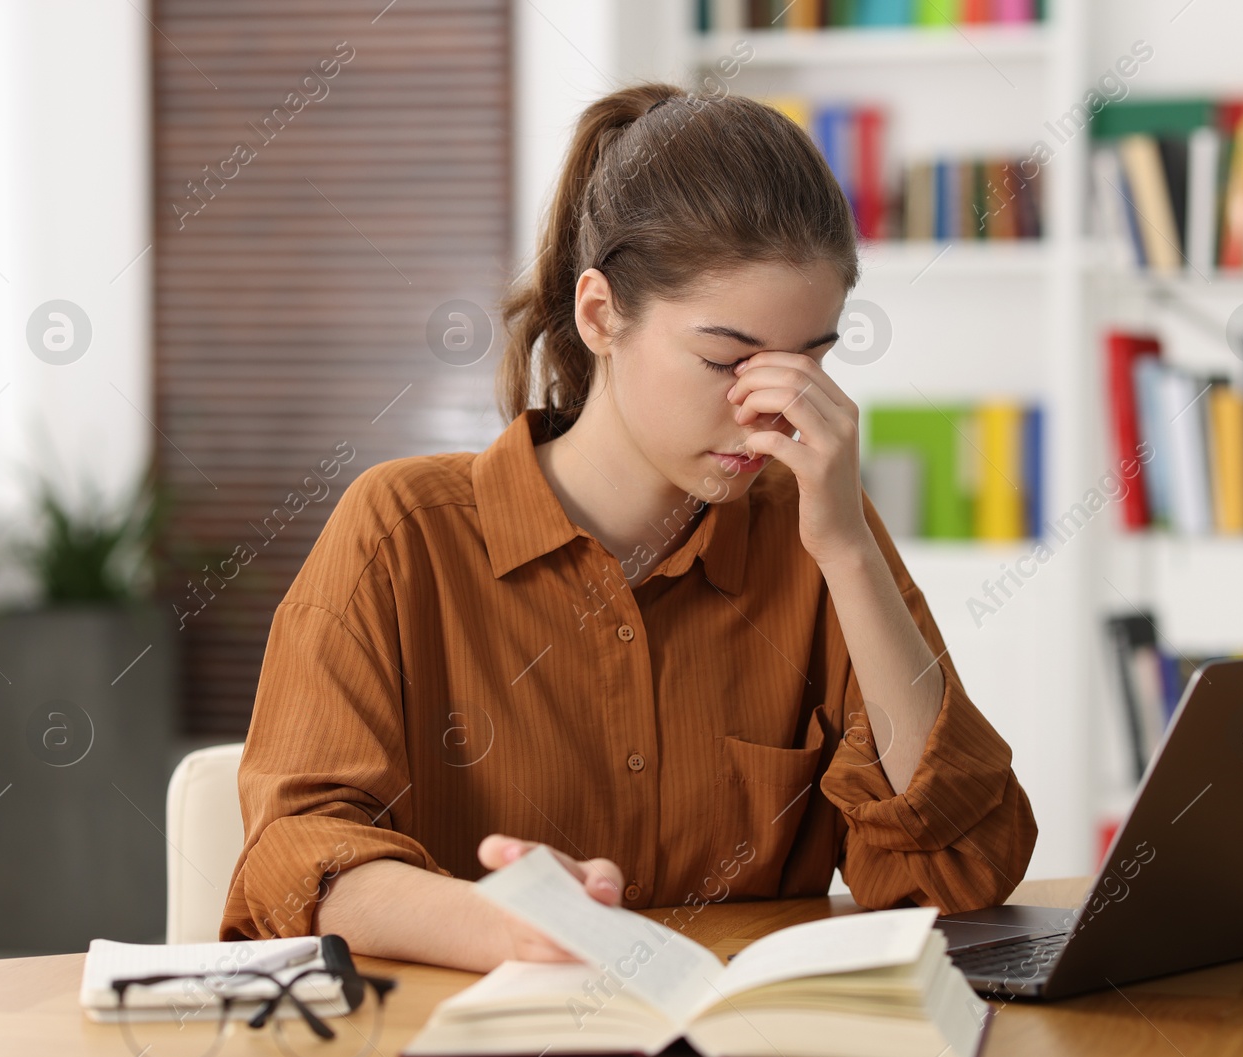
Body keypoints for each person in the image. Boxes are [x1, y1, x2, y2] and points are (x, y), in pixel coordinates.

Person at [219, 82, 1038, 970]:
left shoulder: (817, 528)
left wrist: (846, 550)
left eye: (809, 362)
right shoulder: (401, 534)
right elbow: (298, 861)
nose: (773, 415)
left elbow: (963, 870)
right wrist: (507, 926)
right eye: (728, 359)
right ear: (601, 314)